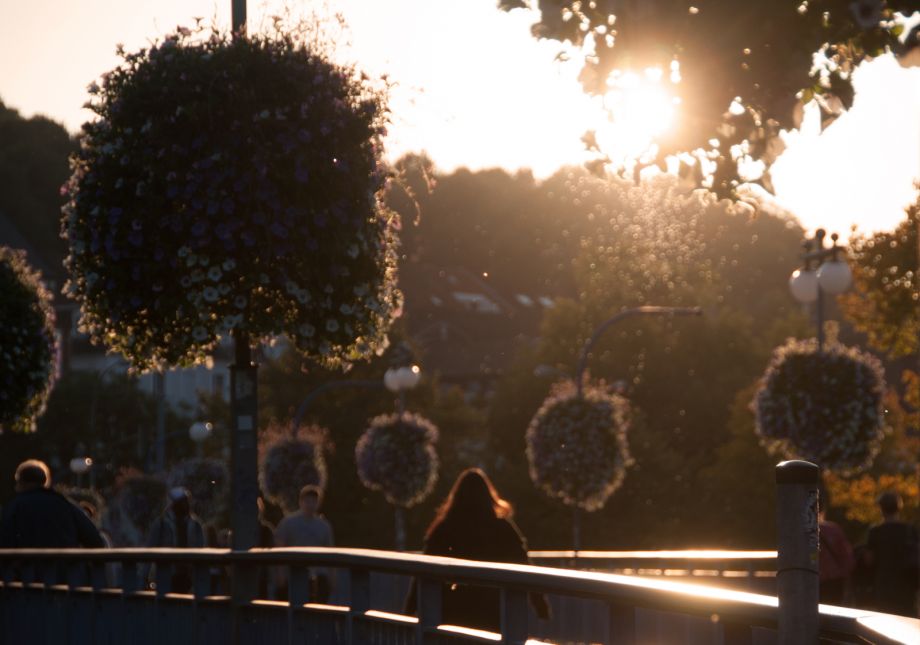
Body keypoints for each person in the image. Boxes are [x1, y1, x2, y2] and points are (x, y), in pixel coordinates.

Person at [404, 468, 550, 633]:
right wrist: (540, 606)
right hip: (490, 611)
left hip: (453, 613)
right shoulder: (501, 528)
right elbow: (522, 563)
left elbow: (425, 567)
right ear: (488, 497)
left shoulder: (446, 528)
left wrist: (409, 610)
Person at [0, 459, 105, 549]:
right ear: (45, 481)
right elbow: (95, 540)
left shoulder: (14, 507)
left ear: (21, 482)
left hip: (26, 566)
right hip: (65, 566)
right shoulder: (65, 504)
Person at [862, 492, 919, 617]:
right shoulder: (910, 530)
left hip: (884, 585)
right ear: (899, 507)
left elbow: (869, 560)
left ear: (881, 508)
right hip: (907, 586)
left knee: (886, 620)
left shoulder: (875, 531)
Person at [274, 485, 334, 602]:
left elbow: (331, 551)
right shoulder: (288, 523)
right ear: (300, 502)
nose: (310, 505)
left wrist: (332, 578)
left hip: (318, 574)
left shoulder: (324, 526)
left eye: (313, 501)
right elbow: (279, 547)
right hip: (293, 574)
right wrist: (281, 574)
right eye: (307, 501)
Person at [145, 487, 205, 593]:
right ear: (174, 504)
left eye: (187, 502)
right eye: (182, 502)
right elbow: (149, 550)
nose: (186, 505)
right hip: (166, 576)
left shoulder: (196, 525)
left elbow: (202, 551)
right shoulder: (161, 524)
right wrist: (144, 578)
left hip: (189, 578)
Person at [818, 505, 854, 605]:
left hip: (815, 579)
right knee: (834, 607)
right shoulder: (833, 529)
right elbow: (847, 554)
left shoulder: (804, 531)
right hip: (835, 579)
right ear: (823, 511)